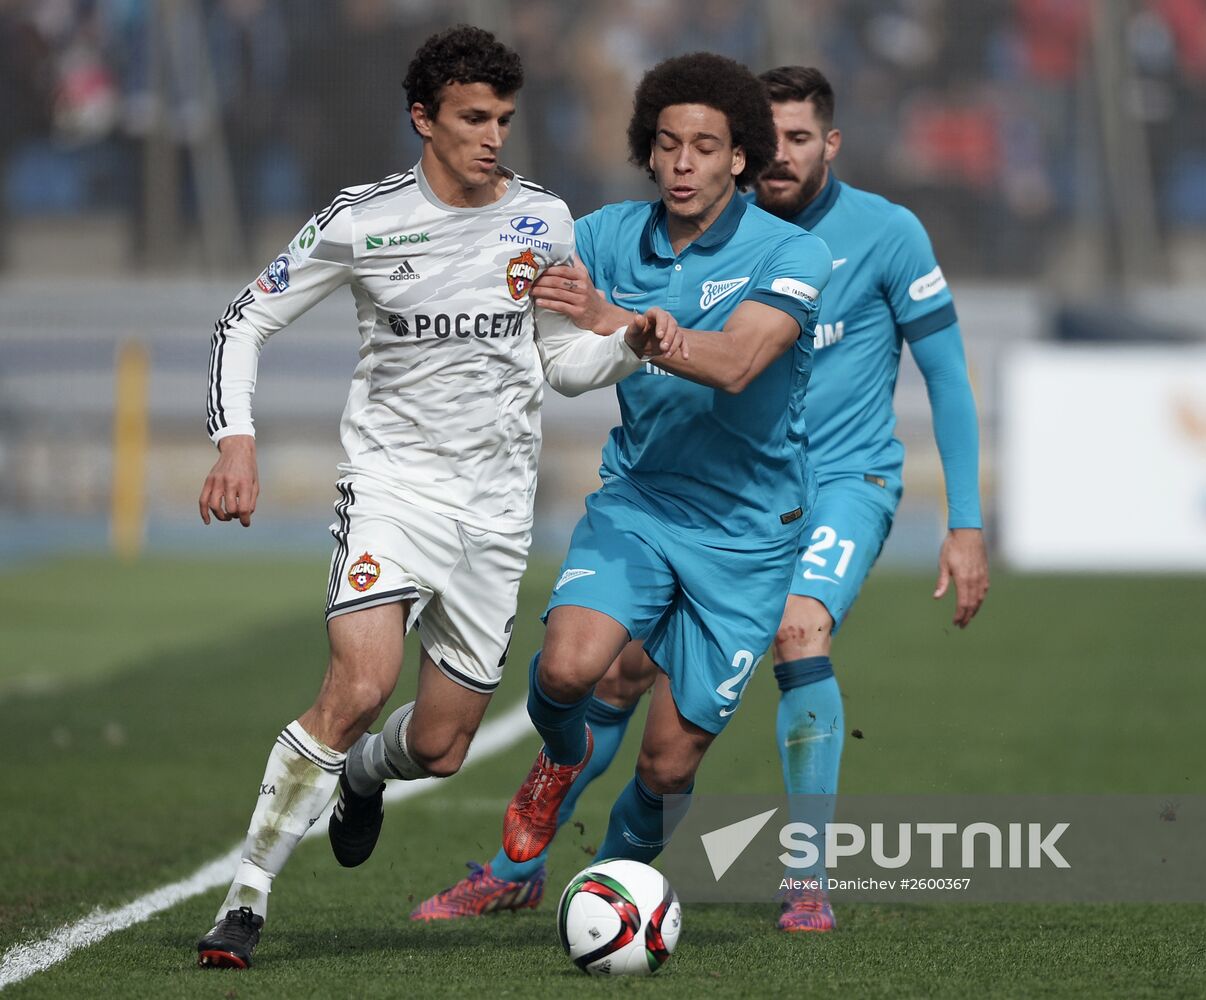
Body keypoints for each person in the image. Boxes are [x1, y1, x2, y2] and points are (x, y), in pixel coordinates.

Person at [414, 65, 987, 934]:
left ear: (788, 147)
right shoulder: (621, 233)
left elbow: (929, 373)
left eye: (796, 139)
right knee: (601, 670)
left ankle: (750, 880)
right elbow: (522, 275)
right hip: (655, 494)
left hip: (824, 486)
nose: (777, 157)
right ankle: (520, 865)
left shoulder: (857, 240)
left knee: (776, 655)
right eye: (672, 144)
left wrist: (965, 520)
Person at [193, 25, 680, 970]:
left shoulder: (544, 218)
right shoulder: (362, 219)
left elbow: (560, 367)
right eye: (471, 118)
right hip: (393, 490)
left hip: (496, 515)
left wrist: (628, 345)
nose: (492, 135)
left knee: (444, 746)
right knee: (361, 685)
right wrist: (235, 439)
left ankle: (366, 778)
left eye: (502, 118)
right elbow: (244, 318)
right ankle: (246, 898)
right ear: (423, 118)